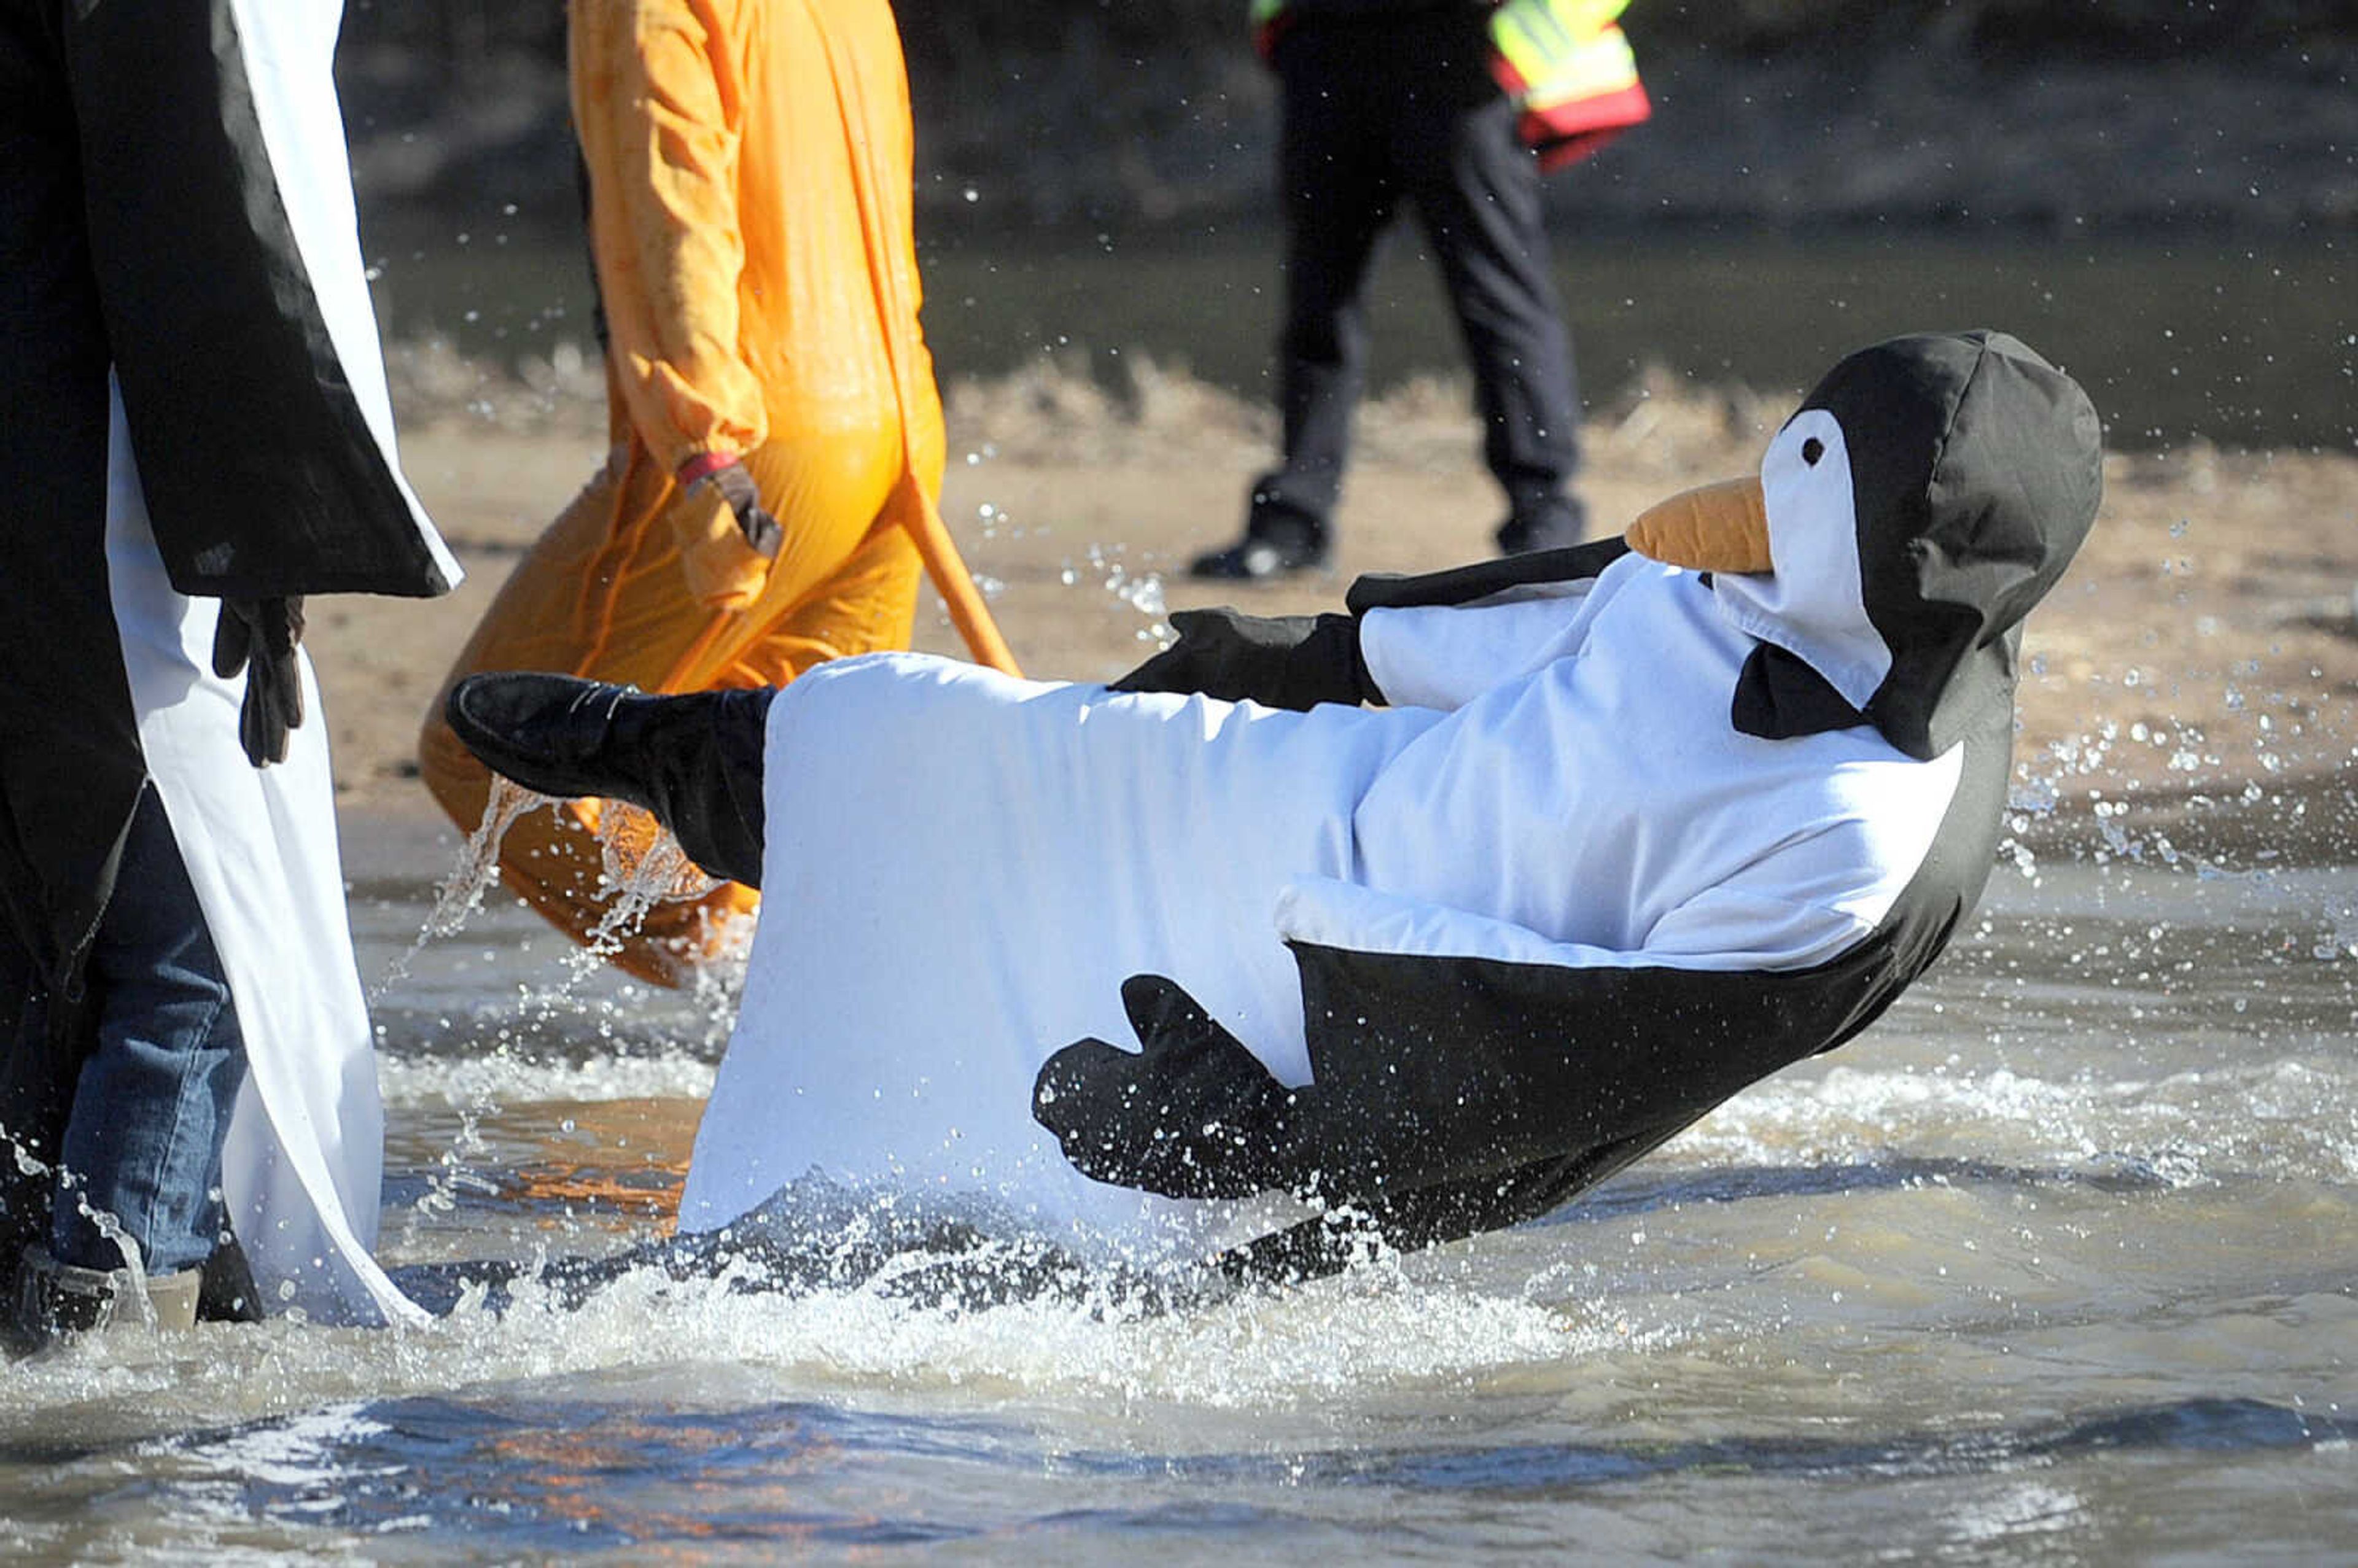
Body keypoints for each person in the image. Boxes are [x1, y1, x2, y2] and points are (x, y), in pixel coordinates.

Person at [447, 332, 2101, 1281]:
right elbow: (1501, 627)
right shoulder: (1721, 572)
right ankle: (688, 764)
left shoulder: (1871, 841)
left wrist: (1293, 1132)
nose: (1751, 490)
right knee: (950, 734)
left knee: (1088, 1230)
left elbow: (1604, 1059)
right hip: (1343, 795)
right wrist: (1270, 660)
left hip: (1374, 1001)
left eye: (1804, 472)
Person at [1, 1, 458, 1338]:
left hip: (51, 451)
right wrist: (266, 525)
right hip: (92, 481)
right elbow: (205, 198)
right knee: (195, 941)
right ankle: (107, 1397)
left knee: (46, 931)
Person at [416, 0, 1016, 991]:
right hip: (892, 440)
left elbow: (676, 198)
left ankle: (723, 986)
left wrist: (703, 449)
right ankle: (831, 1019)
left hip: (754, 451)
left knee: (478, 750)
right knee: (810, 798)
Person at [1189, 0, 1651, 581]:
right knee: (1319, 300)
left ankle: (1545, 525)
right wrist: (1289, 35)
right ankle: (1292, 522)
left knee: (1501, 303)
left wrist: (1511, 48)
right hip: (1326, 43)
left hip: (1464, 46)